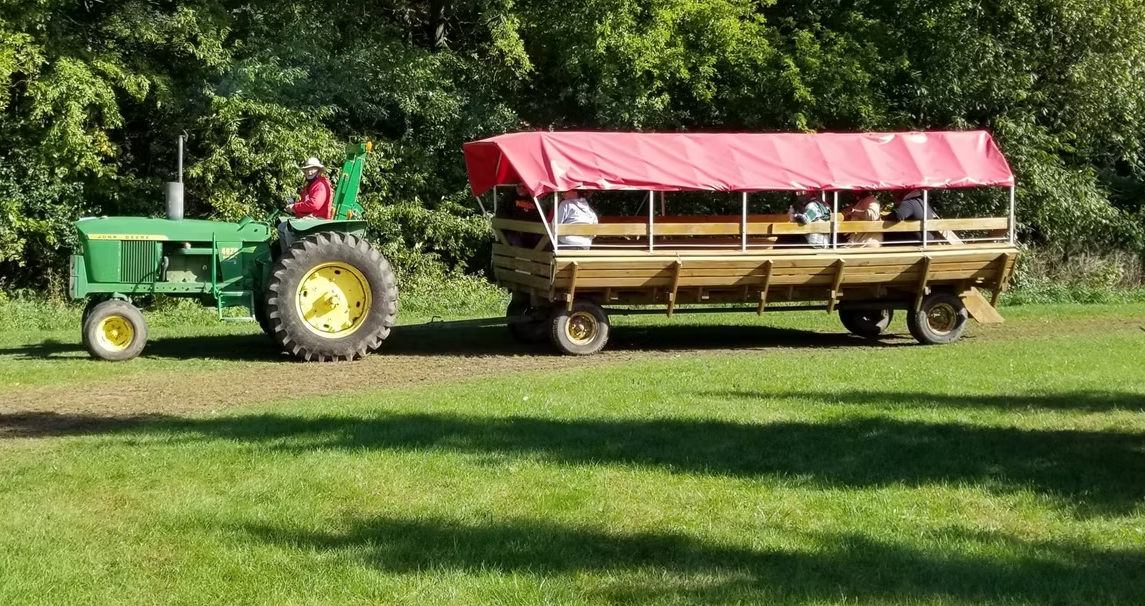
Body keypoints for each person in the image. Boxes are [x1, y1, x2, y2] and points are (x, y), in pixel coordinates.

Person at [279, 157, 333, 249]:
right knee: (282, 226)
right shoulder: (309, 186)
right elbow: (304, 205)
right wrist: (292, 209)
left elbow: (314, 204)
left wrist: (295, 207)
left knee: (290, 230)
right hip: (309, 217)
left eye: (312, 169)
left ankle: (294, 257)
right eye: (307, 169)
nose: (309, 171)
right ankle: (284, 256)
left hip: (318, 219)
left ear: (319, 171)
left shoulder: (321, 185)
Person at [886, 189, 961, 245]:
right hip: (929, 242)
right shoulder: (920, 201)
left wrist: (883, 218)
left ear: (903, 192)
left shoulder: (910, 203)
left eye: (895, 191)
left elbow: (897, 215)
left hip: (919, 244)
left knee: (884, 237)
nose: (893, 194)